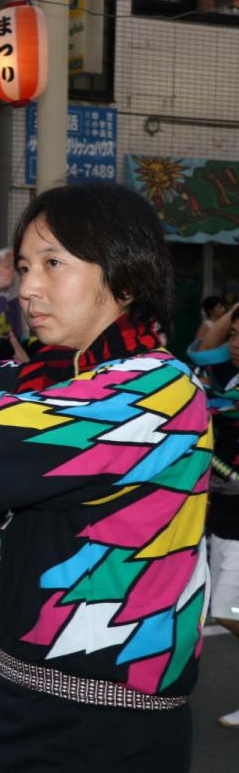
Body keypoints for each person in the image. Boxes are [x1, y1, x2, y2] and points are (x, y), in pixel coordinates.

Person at [0, 154, 208, 771]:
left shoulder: (154, 388)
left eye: (54, 264)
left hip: (106, 728)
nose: (27, 286)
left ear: (125, 281)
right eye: (24, 266)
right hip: (37, 703)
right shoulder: (62, 380)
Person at [184, 306, 239, 727]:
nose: (233, 343)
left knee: (226, 612)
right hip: (220, 514)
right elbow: (202, 351)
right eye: (233, 334)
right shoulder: (223, 378)